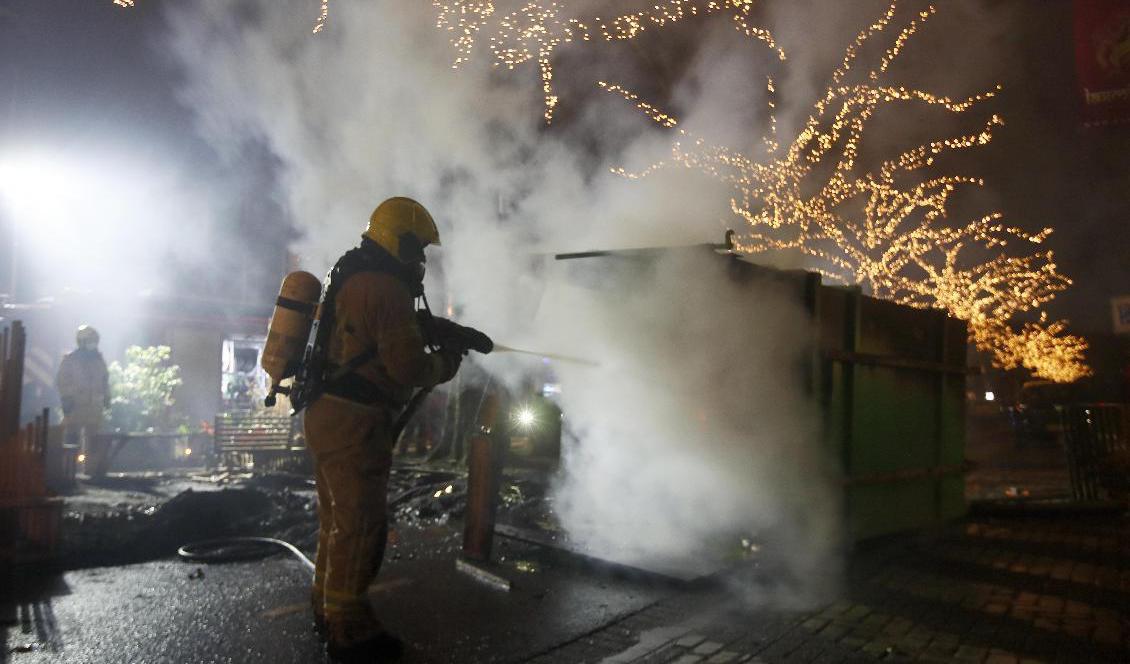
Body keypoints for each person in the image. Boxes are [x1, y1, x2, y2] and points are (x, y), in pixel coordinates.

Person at [304, 197, 463, 662]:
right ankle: (347, 628)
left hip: (327, 414)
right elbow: (407, 365)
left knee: (337, 522)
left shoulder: (354, 274)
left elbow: (370, 334)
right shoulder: (387, 287)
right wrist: (445, 364)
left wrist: (433, 326)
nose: (421, 261)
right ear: (400, 240)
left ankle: (326, 603)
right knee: (360, 527)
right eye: (418, 249)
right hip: (355, 422)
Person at [56, 325, 111, 477]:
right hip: (76, 406)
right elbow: (62, 381)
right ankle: (67, 471)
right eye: (91, 340)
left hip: (94, 406)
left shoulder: (99, 360)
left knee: (93, 439)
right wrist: (67, 398)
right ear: (81, 341)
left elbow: (105, 380)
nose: (93, 343)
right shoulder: (70, 360)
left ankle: (91, 472)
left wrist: (107, 397)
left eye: (95, 340)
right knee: (71, 437)